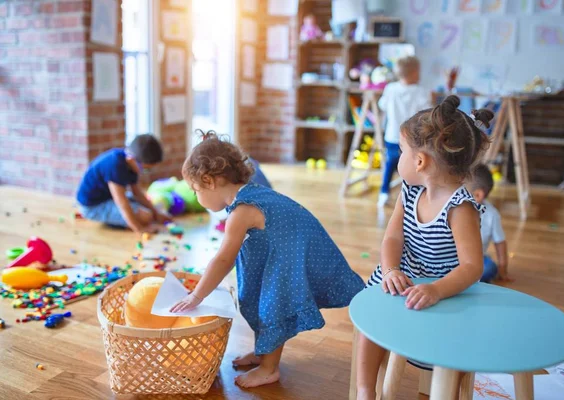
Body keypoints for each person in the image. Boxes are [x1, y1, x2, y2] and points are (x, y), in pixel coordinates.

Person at [170, 132, 364, 388]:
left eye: (196, 191)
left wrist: (196, 296)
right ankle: (263, 353)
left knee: (273, 307)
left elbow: (223, 259)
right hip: (285, 251)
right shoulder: (250, 192)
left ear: (209, 181)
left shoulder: (241, 210)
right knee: (255, 297)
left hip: (293, 255)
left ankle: (269, 369)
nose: (197, 198)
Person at [356, 96, 494, 400]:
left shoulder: (461, 208)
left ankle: (443, 392)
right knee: (373, 312)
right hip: (403, 274)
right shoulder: (410, 189)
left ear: (420, 162)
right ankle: (366, 391)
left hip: (445, 286)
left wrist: (436, 289)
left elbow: (472, 266)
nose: (398, 157)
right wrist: (391, 269)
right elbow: (392, 238)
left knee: (450, 342)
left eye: (402, 151)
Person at [76, 134, 170, 233]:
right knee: (146, 217)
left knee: (150, 211)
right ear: (131, 159)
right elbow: (122, 202)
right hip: (93, 207)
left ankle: (119, 219)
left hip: (109, 197)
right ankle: (116, 221)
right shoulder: (115, 165)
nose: (144, 172)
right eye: (145, 169)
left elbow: (137, 193)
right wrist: (139, 229)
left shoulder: (131, 163)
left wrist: (156, 213)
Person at [377, 56, 432, 208]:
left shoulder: (390, 89)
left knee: (390, 163)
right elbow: (427, 112)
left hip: (393, 135)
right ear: (414, 73)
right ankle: (411, 197)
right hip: (414, 138)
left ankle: (383, 192)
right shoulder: (421, 91)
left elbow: (382, 105)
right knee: (414, 167)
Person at [468, 164, 511, 282]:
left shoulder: (492, 215)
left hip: (476, 259)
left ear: (477, 195)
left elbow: (500, 242)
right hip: (451, 259)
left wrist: (503, 268)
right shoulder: (454, 208)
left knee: (489, 268)